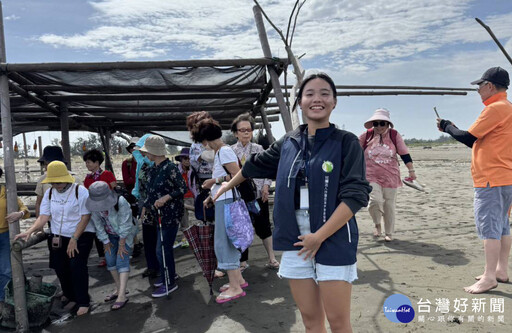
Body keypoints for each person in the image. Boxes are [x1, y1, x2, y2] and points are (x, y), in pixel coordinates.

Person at [214, 72, 371, 330]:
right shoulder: (289, 141)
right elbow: (256, 165)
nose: (316, 99)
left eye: (324, 94)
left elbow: (355, 196)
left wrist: (319, 236)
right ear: (300, 101)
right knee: (310, 321)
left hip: (333, 237)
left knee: (339, 322)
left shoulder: (346, 142)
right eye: (309, 94)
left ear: (334, 102)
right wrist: (227, 186)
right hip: (296, 240)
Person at [437, 66, 512, 294]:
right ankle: (501, 269)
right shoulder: (507, 107)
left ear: (489, 86)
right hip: (506, 176)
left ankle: (490, 277)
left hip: (491, 178)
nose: (478, 90)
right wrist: (453, 129)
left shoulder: (495, 109)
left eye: (480, 86)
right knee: (502, 226)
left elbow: (468, 136)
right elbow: (474, 141)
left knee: (489, 227)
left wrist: (446, 127)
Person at [16, 161, 95, 316]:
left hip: (81, 233)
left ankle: (83, 301)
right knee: (60, 266)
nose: (57, 185)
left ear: (66, 178)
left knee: (76, 266)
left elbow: (86, 216)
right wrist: (30, 231)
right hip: (58, 234)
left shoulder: (80, 191)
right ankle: (70, 295)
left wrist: (75, 238)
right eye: (53, 182)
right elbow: (44, 216)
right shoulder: (49, 193)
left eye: (59, 182)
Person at [198, 118, 248, 304]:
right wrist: (212, 196)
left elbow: (238, 175)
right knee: (227, 241)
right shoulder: (222, 152)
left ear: (206, 140)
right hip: (224, 200)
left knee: (224, 242)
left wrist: (214, 181)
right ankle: (238, 280)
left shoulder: (224, 151)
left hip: (227, 203)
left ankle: (235, 286)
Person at [137, 135, 187, 297]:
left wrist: (166, 198)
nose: (145, 154)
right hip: (157, 215)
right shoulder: (154, 168)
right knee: (161, 249)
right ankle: (169, 275)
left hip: (169, 215)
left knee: (162, 249)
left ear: (154, 152)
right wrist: (146, 206)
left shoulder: (170, 168)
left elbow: (182, 189)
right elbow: (151, 192)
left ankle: (170, 282)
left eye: (146, 151)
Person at [359, 108, 416, 242]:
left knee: (389, 205)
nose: (378, 126)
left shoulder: (394, 135)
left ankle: (389, 232)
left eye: (382, 123)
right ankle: (377, 224)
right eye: (376, 123)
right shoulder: (366, 136)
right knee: (375, 201)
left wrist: (411, 171)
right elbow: (353, 151)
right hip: (370, 175)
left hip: (391, 175)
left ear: (388, 124)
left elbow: (404, 154)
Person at [230, 113, 279, 270]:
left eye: (248, 129)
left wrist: (266, 185)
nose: (246, 132)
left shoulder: (258, 148)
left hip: (258, 194)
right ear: (236, 133)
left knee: (264, 226)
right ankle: (243, 262)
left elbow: (269, 169)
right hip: (238, 198)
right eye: (242, 130)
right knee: (241, 229)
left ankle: (272, 258)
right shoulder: (230, 151)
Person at [86, 181, 138, 311]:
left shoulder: (120, 201)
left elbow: (125, 223)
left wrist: (122, 243)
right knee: (109, 259)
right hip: (109, 235)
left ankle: (122, 295)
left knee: (122, 259)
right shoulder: (94, 207)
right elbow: (97, 224)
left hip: (125, 234)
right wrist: (105, 241)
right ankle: (119, 288)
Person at [0, 167, 30, 309]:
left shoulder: (7, 192)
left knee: (6, 269)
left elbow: (24, 208)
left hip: (5, 235)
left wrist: (20, 214)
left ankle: (4, 300)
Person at [83, 148, 117, 267]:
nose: (87, 165)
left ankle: (113, 252)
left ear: (97, 163)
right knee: (98, 231)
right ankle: (102, 256)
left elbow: (113, 187)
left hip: (109, 207)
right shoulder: (88, 178)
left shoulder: (107, 174)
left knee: (112, 230)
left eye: (89, 162)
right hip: (96, 208)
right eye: (86, 162)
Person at [175, 147, 199, 248]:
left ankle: (199, 235)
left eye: (189, 158)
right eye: (185, 158)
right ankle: (185, 238)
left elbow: (194, 186)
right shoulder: (176, 171)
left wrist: (197, 198)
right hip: (180, 197)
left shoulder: (193, 171)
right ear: (181, 160)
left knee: (199, 214)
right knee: (183, 218)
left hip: (191, 196)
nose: (187, 161)